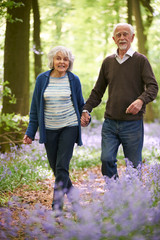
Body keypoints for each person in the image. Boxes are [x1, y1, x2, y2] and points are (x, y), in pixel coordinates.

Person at [81, 23, 158, 179]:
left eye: (125, 34)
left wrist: (140, 101)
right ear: (114, 39)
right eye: (119, 35)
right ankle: (114, 194)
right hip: (110, 123)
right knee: (106, 159)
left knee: (133, 166)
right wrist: (86, 109)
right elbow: (97, 92)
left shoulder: (141, 61)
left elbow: (153, 87)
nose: (122, 37)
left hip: (132, 124)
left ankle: (131, 200)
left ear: (132, 37)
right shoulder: (108, 62)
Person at [23, 46, 85, 211]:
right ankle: (75, 200)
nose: (62, 62)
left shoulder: (73, 80)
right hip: (49, 129)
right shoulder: (42, 79)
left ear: (69, 62)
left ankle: (56, 208)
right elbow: (35, 109)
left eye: (65, 59)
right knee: (56, 168)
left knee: (62, 166)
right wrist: (30, 132)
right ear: (52, 61)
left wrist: (86, 116)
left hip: (69, 126)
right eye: (58, 58)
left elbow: (81, 105)